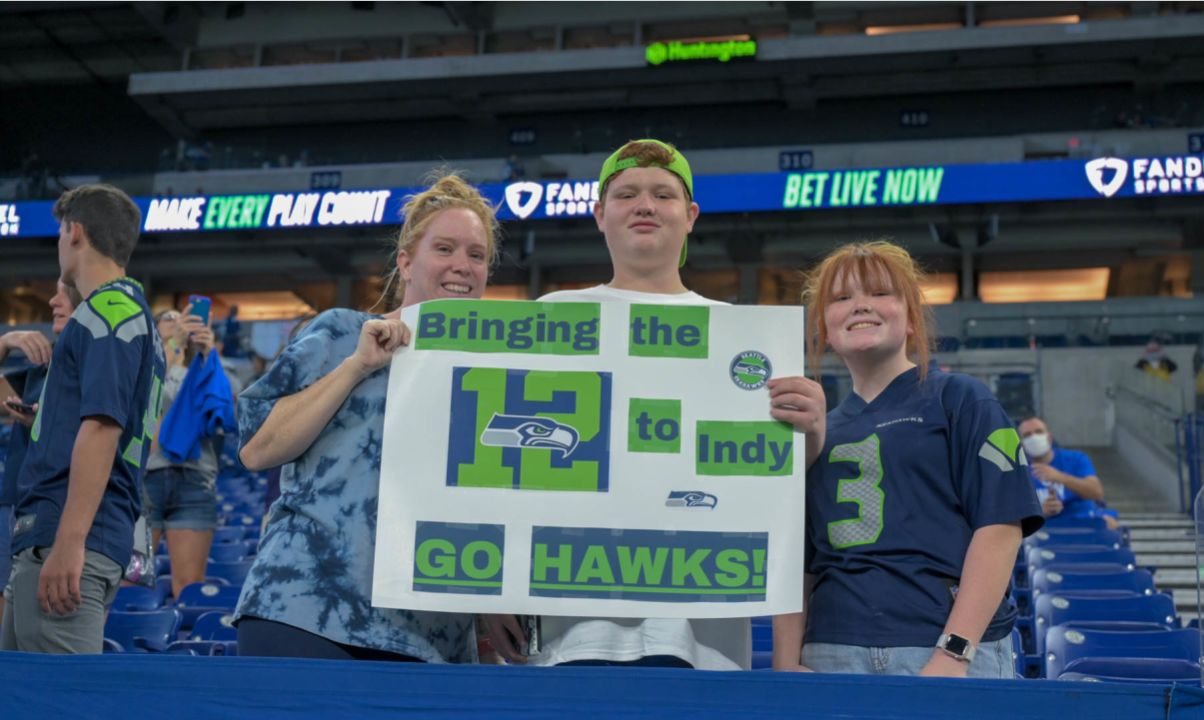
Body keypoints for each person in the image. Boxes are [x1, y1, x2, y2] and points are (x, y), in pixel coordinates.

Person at [482, 139, 826, 670]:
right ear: (599, 215)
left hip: (702, 626)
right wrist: (491, 591)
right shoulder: (552, 317)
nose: (645, 205)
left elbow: (768, 484)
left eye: (663, 194)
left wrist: (812, 430)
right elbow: (506, 463)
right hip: (573, 625)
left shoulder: (739, 334)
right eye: (626, 194)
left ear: (689, 216)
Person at [231, 174, 499, 662]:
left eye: (476, 255)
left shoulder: (493, 375)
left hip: (430, 631)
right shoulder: (340, 333)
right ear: (405, 263)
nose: (462, 266)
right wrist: (357, 367)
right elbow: (257, 449)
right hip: (305, 606)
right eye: (444, 248)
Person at [772, 241, 1043, 678]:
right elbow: (797, 558)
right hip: (831, 651)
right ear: (823, 324)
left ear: (913, 317)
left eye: (880, 292)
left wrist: (953, 652)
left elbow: (1000, 528)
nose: (861, 305)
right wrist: (786, 660)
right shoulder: (814, 430)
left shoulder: (961, 399)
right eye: (841, 298)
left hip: (944, 649)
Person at [1, 184, 164, 654]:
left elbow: (101, 428)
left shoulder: (108, 311)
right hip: (60, 534)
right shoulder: (125, 313)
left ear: (75, 233)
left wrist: (69, 542)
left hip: (72, 537)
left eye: (58, 233)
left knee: (58, 704)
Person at [0, 280, 81, 625]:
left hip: (59, 511)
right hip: (17, 501)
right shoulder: (48, 359)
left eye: (66, 291)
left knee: (44, 632)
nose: (52, 300)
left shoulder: (100, 361)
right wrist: (4, 343)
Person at [143, 304, 227, 598]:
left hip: (194, 480)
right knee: (130, 581)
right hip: (144, 480)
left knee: (189, 587)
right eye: (169, 318)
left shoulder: (205, 367)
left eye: (183, 319)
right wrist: (172, 347)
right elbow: (143, 397)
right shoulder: (140, 366)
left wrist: (208, 351)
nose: (177, 322)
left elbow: (227, 411)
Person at [1016, 416, 1116, 529]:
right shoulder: (1017, 471)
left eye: (1038, 432)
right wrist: (1040, 512)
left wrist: (1060, 477)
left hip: (1079, 520)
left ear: (1049, 438)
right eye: (1027, 435)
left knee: (1108, 523)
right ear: (1022, 444)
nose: (1034, 437)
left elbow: (1096, 492)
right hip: (1040, 528)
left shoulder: (1076, 459)